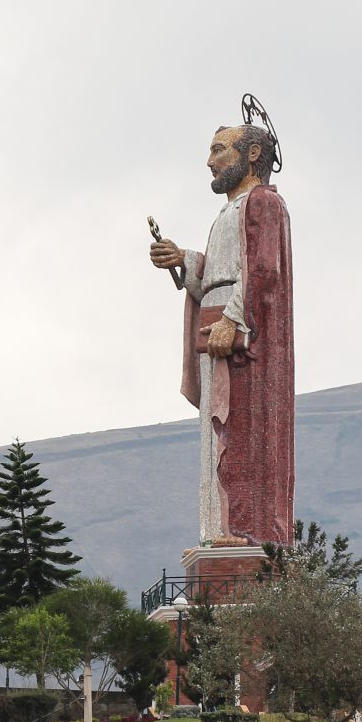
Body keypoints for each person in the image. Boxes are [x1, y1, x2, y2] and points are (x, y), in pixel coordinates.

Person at [150, 119, 294, 547]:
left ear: (252, 154)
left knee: (239, 427)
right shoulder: (227, 213)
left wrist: (233, 318)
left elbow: (263, 270)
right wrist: (185, 259)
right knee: (217, 433)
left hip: (240, 340)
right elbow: (218, 273)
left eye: (219, 151)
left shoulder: (264, 203)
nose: (210, 162)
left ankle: (245, 532)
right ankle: (220, 530)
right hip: (215, 335)